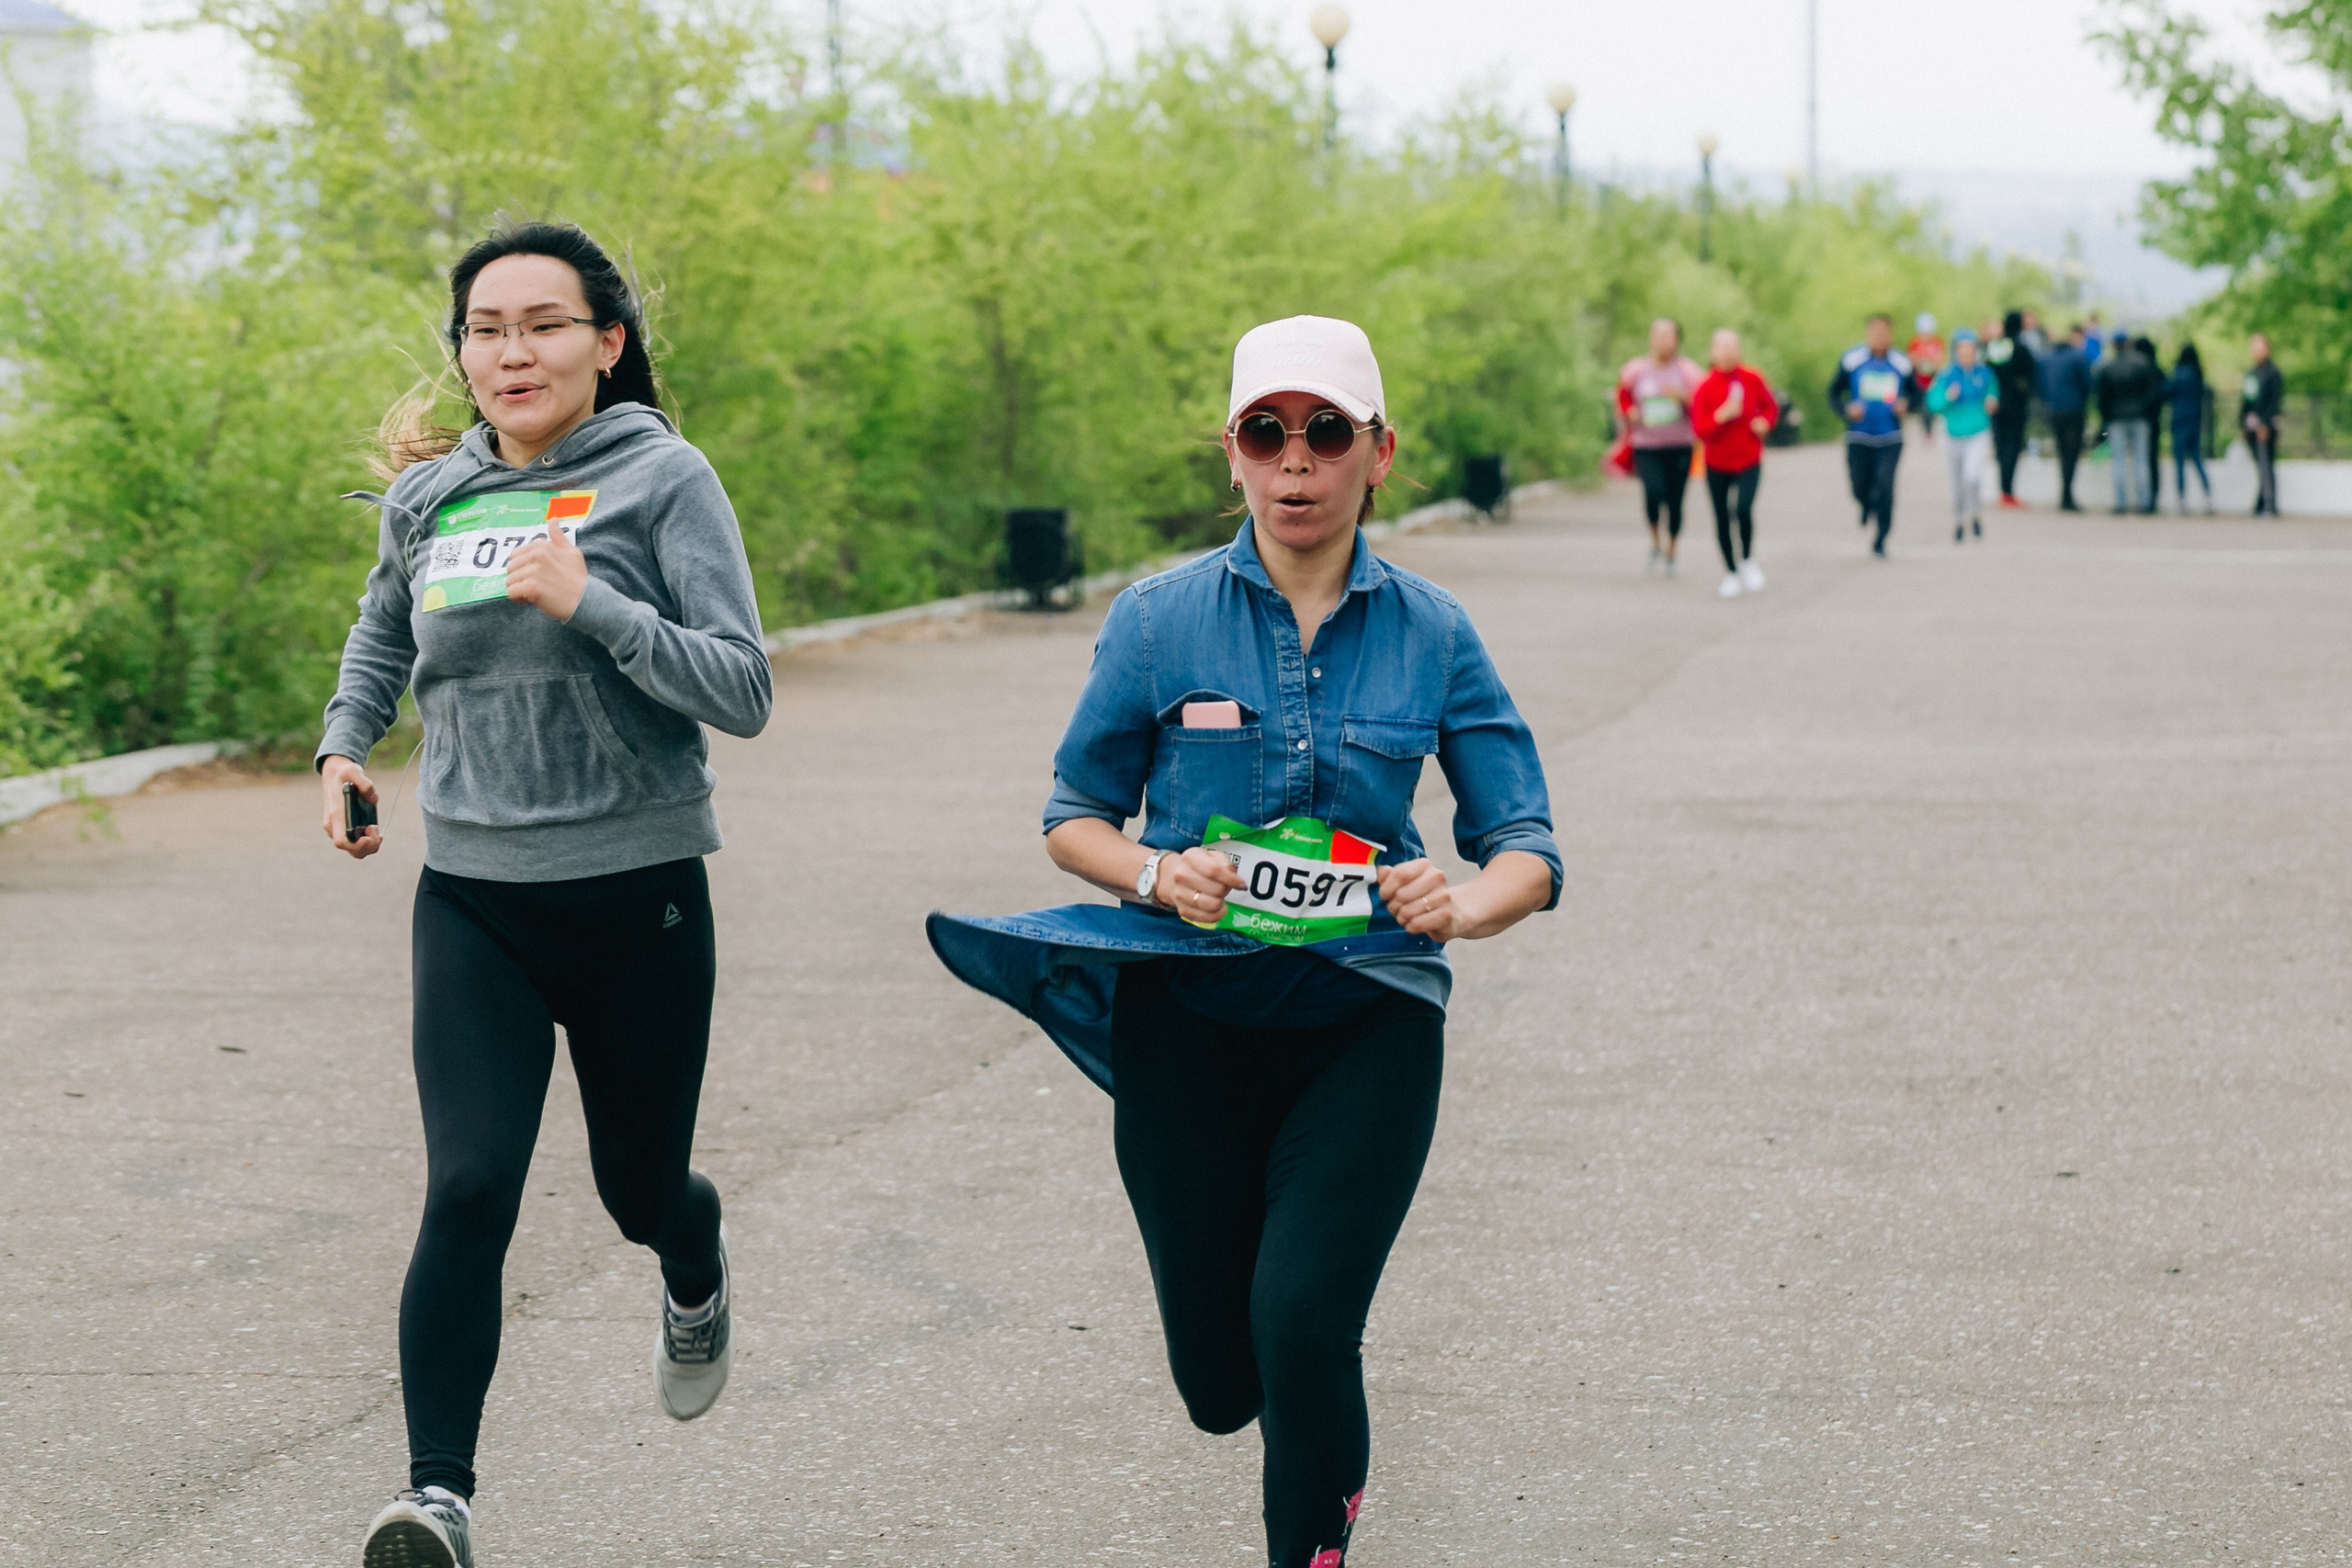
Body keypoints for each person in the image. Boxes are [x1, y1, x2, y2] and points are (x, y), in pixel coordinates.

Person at [927, 315, 1560, 1568]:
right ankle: (1306, 1436)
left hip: (1368, 1016)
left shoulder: (1433, 630)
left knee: (1305, 1320)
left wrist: (1466, 901)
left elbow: (1525, 844)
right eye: (1267, 432)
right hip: (1190, 1026)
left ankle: (1313, 1534)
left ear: (1381, 452)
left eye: (1328, 432)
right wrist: (1160, 872)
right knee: (1225, 1379)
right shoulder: (1160, 620)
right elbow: (1073, 820)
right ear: (1232, 453)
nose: (1297, 460)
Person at [321, 221, 774, 1568]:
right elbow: (383, 625)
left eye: (543, 324)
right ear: (462, 352)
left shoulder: (664, 478)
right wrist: (347, 742)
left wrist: (598, 605)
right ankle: (436, 1496)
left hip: (638, 894)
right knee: (467, 1185)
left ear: (607, 342)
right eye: (485, 329)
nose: (511, 352)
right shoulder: (434, 495)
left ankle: (691, 1258)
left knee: (640, 1186)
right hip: (476, 896)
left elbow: (741, 687)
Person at [1690, 327, 1779, 598]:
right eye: (1722, 346)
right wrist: (1721, 415)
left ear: (1739, 350)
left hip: (1749, 458)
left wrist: (1765, 422)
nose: (1728, 351)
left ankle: (1748, 560)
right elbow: (1700, 429)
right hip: (1717, 462)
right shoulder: (1705, 386)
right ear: (1712, 352)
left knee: (1742, 509)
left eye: (1732, 346)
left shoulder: (1752, 378)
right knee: (1721, 516)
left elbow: (1770, 407)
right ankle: (1730, 571)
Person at [1615, 318, 1706, 573]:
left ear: (1677, 339)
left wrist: (1682, 397)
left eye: (1668, 335)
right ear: (1650, 338)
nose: (1662, 340)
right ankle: (1655, 542)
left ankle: (1672, 551)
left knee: (1675, 501)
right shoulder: (1636, 370)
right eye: (1658, 334)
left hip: (1679, 445)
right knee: (1653, 493)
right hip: (1646, 445)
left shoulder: (1688, 371)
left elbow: (1702, 403)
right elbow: (1622, 395)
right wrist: (1630, 411)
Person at [1828, 312, 1918, 556]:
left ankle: (1881, 538)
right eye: (1875, 332)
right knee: (1860, 486)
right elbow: (1833, 393)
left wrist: (1906, 406)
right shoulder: (1852, 359)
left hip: (1890, 437)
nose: (1880, 337)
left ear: (1891, 334)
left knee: (1886, 486)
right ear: (1868, 333)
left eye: (1884, 332)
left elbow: (1917, 395)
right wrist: (1847, 410)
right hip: (1859, 436)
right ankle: (1866, 505)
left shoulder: (1902, 363)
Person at [1926, 328, 1998, 542]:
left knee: (1972, 476)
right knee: (1956, 481)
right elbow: (1933, 404)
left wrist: (1992, 400)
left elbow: (1993, 392)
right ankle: (1958, 520)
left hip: (1977, 431)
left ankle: (1975, 513)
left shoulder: (1985, 374)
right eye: (1962, 351)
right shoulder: (1946, 376)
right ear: (1955, 352)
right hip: (1952, 433)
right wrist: (1948, 397)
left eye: (1971, 351)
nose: (1967, 355)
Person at [2094, 333, 2162, 514]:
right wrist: (2144, 410)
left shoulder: (2108, 367)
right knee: (2141, 460)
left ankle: (2121, 503)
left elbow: (2102, 398)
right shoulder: (2142, 364)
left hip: (2117, 419)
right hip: (2140, 418)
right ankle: (2144, 502)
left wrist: (2108, 417)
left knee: (2119, 461)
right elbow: (2152, 391)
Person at [1984, 310, 2037, 509]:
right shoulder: (2021, 347)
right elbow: (2030, 374)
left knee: (2000, 446)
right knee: (2012, 448)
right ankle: (2007, 492)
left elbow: (1989, 372)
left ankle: (2003, 490)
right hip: (2016, 405)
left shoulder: (1995, 346)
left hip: (1996, 404)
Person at [2039, 324, 2093, 513]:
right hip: (2074, 411)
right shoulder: (2078, 357)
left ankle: (2066, 495)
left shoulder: (2045, 358)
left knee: (2063, 452)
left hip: (2054, 411)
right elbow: (2088, 384)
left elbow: (2039, 386)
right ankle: (2067, 496)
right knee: (2071, 453)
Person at [2162, 341, 2213, 514]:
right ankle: (2208, 498)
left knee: (2180, 463)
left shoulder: (2178, 374)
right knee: (2197, 461)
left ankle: (2181, 500)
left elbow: (2166, 392)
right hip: (2195, 422)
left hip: (2179, 423)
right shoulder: (2198, 374)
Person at [2242, 332, 2285, 515]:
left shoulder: (2273, 373)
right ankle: (2261, 502)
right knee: (2261, 465)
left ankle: (2269, 503)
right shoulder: (2252, 373)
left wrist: (2265, 424)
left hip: (2267, 426)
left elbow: (2275, 401)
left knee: (2267, 464)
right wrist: (2243, 423)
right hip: (2252, 425)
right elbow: (2246, 400)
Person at [1907, 312, 1946, 437]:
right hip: (1920, 380)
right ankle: (1926, 430)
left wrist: (1929, 362)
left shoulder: (1937, 342)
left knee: (1932, 406)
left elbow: (1940, 361)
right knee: (1923, 407)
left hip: (1933, 380)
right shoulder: (1914, 343)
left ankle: (1931, 428)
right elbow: (1911, 361)